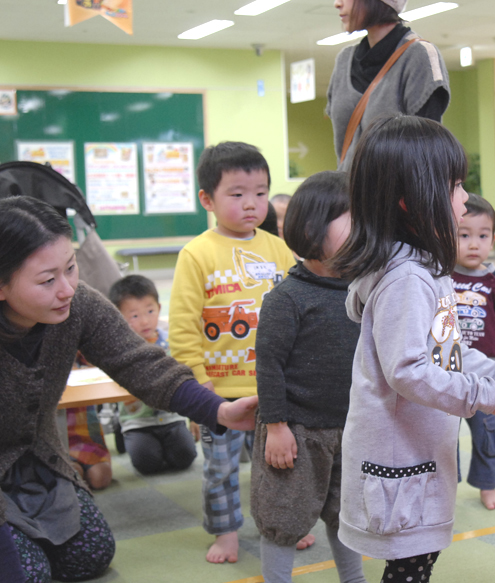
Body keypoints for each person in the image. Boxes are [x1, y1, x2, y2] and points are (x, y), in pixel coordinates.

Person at [0, 196, 258, 583]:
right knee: (24, 572)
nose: (67, 288)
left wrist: (216, 410)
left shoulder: (77, 305)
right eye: (47, 280)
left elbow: (140, 362)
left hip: (38, 464)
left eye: (70, 268)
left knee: (90, 555)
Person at [332, 115, 495, 582]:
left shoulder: (426, 269)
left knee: (417, 562)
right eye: (454, 185)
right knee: (410, 567)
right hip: (398, 459)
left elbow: (447, 351)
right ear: (412, 199)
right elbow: (407, 370)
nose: (465, 198)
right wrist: (486, 398)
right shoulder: (407, 278)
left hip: (419, 450)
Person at [168, 141, 299, 564]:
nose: (252, 204)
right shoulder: (197, 253)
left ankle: (283, 525)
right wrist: (197, 387)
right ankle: (226, 533)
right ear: (207, 199)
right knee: (220, 469)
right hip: (219, 391)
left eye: (261, 193)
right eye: (237, 193)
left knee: (280, 465)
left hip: (274, 388)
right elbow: (184, 325)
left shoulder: (278, 248)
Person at [253, 171, 365, 583]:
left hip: (349, 427)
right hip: (296, 432)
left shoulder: (361, 288)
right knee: (282, 518)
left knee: (347, 515)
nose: (364, 231)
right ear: (314, 227)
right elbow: (268, 365)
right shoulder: (288, 297)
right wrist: (277, 426)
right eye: (353, 222)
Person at [451, 193, 495, 511]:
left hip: (488, 375)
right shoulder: (440, 278)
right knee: (441, 436)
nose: (473, 244)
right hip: (448, 374)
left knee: (488, 433)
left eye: (482, 236)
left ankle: (487, 485)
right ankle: (443, 487)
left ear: (493, 239)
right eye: (464, 235)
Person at [327, 0, 450, 171]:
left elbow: (426, 150)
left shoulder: (419, 55)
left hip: (396, 194)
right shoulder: (344, 60)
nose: (337, 3)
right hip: (347, 192)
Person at [108, 275, 197, 475]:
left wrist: (194, 418)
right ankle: (122, 430)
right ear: (119, 316)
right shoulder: (119, 350)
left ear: (159, 307)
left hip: (171, 419)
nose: (145, 321)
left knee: (185, 457)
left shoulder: (173, 344)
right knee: (146, 463)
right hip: (137, 421)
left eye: (150, 311)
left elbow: (188, 380)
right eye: (134, 316)